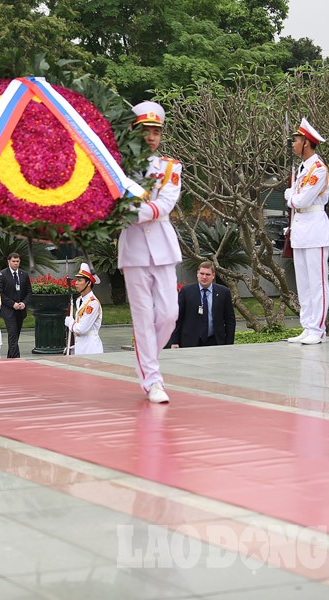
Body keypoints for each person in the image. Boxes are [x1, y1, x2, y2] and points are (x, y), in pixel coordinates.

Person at [118, 101, 182, 404]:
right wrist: (137, 210)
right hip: (133, 249)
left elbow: (166, 204)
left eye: (156, 131)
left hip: (163, 246)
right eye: (146, 130)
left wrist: (136, 210)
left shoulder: (170, 167)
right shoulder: (118, 168)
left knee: (170, 314)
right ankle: (153, 379)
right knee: (142, 318)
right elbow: (117, 209)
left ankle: (145, 362)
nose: (152, 136)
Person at [284, 118, 329, 345]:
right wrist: (292, 197)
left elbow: (301, 198)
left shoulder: (318, 169)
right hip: (301, 228)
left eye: (296, 140)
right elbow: (296, 198)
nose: (293, 144)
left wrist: (290, 197)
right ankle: (307, 325)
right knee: (303, 282)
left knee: (317, 282)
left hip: (314, 227)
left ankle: (318, 328)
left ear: (306, 143)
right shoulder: (303, 169)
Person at [169, 261, 236, 348]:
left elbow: (230, 320)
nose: (204, 277)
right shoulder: (186, 292)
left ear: (213, 275)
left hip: (215, 341)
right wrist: (174, 341)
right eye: (202, 273)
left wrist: (229, 343)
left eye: (208, 274)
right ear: (197, 274)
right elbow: (177, 318)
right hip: (190, 342)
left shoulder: (223, 292)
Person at [0, 253, 32, 359]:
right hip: (8, 310)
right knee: (12, 333)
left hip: (20, 309)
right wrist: (12, 304)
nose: (15, 263)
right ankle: (16, 358)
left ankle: (11, 357)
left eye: (17, 261)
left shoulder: (23, 274)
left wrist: (24, 303)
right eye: (13, 261)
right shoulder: (2, 275)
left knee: (16, 334)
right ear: (8, 261)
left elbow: (29, 292)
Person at [65, 263, 104, 355]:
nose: (76, 283)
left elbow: (82, 329)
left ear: (89, 283)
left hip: (91, 348)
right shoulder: (79, 300)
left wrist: (70, 322)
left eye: (79, 280)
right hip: (81, 347)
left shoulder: (93, 303)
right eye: (76, 280)